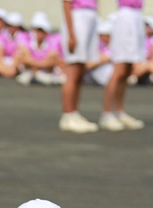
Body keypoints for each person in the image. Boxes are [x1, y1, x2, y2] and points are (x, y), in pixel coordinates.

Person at [98, 0, 146, 131]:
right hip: (126, 16)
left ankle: (119, 112)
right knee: (119, 68)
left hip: (137, 14)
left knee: (127, 70)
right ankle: (106, 114)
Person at [58, 0, 98, 132]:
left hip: (90, 15)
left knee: (80, 71)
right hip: (77, 17)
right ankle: (67, 115)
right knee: (73, 71)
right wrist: (71, 34)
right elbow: (66, 3)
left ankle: (74, 113)